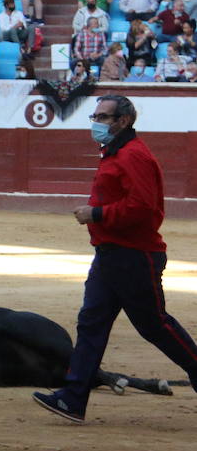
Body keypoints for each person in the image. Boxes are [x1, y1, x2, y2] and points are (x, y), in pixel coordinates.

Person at [33, 95, 197, 424]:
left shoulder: (133, 155)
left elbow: (143, 208)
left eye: (102, 117)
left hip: (134, 256)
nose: (96, 122)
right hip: (110, 254)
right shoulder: (117, 152)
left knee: (155, 326)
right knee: (91, 324)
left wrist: (97, 213)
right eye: (95, 115)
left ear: (122, 121)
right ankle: (73, 398)